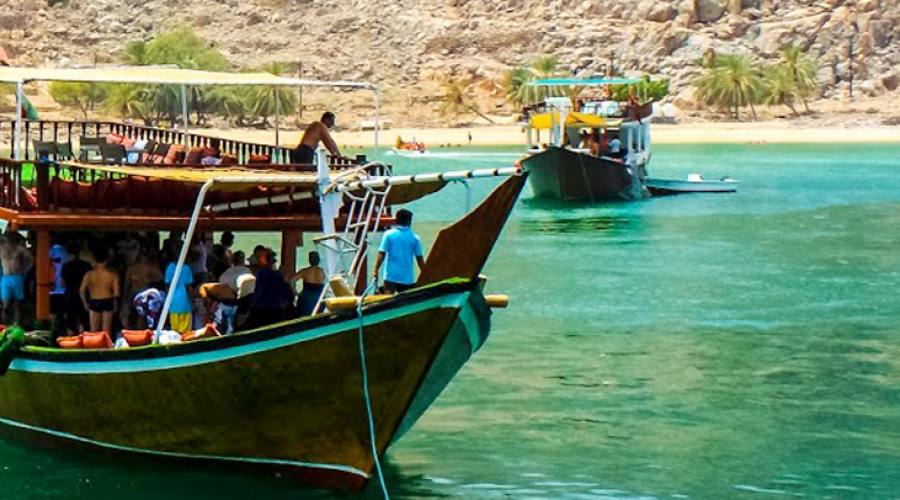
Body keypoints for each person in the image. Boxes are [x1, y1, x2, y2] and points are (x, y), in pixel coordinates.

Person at [373, 209, 425, 293]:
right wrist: (426, 274)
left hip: (390, 276)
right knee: (407, 302)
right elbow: (420, 260)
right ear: (409, 221)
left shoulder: (388, 234)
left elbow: (381, 254)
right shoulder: (415, 238)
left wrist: (375, 271)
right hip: (407, 278)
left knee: (387, 300)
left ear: (396, 220)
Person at [79, 247, 120, 334]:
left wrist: (85, 303)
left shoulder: (89, 274)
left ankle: (95, 347)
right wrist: (115, 304)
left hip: (94, 300)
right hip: (107, 300)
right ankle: (106, 347)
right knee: (106, 331)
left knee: (94, 331)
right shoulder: (112, 274)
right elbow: (116, 293)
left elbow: (82, 290)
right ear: (107, 259)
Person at [247, 249, 290, 329]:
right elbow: (286, 292)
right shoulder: (278, 276)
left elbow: (258, 291)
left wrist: (251, 305)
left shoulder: (261, 274)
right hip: (276, 308)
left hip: (262, 308)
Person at [123, 250, 163, 328]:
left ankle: (136, 331)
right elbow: (160, 277)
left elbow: (126, 284)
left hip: (139, 292)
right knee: (138, 315)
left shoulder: (134, 268)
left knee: (138, 315)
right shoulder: (147, 267)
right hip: (139, 293)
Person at [0, 233, 33, 325]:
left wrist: (24, 270)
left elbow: (30, 259)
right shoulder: (2, 248)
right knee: (5, 304)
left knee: (17, 304)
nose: (9, 241)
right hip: (6, 277)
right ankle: (4, 325)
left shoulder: (19, 250)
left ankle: (16, 323)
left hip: (17, 276)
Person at [61, 242, 91, 335]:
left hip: (70, 293)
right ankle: (84, 337)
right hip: (84, 294)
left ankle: (71, 339)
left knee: (71, 319)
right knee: (84, 318)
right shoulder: (86, 265)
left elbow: (62, 282)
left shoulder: (66, 266)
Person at [164, 248, 194, 334]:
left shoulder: (170, 267)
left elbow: (167, 285)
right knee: (185, 331)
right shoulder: (187, 268)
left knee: (175, 331)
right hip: (185, 303)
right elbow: (189, 288)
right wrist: (192, 301)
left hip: (173, 302)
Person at [290, 251, 325, 317]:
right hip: (320, 298)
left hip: (307, 298)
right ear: (318, 260)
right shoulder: (323, 271)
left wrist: (296, 293)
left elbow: (291, 281)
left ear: (309, 260)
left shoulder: (305, 271)